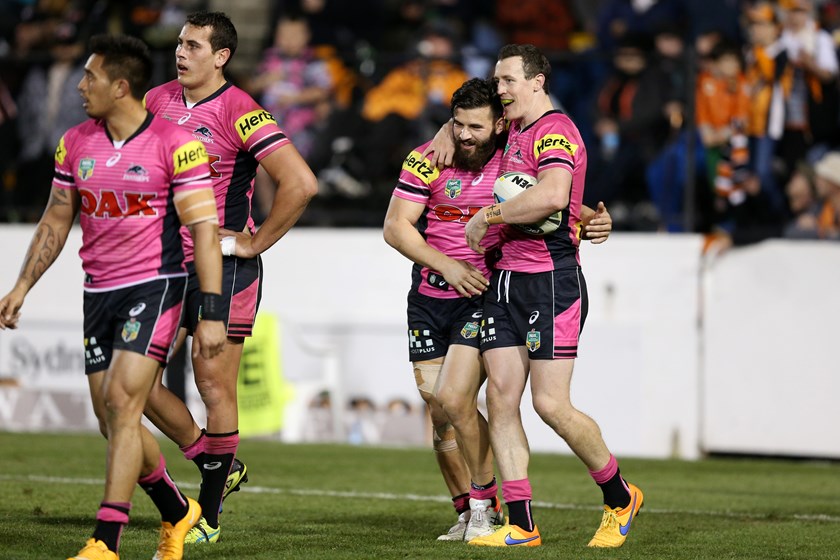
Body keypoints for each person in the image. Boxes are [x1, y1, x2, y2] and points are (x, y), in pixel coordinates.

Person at [0, 34, 226, 560]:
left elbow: (205, 232)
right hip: (97, 292)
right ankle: (176, 510)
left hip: (155, 286)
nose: (81, 87)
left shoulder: (176, 144)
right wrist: (22, 285)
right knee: (109, 417)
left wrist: (211, 311)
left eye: (90, 77)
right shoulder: (75, 141)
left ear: (120, 86)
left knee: (125, 405)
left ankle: (106, 540)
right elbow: (58, 217)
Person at [387, 77, 613, 543]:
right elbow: (395, 228)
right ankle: (471, 509)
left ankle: (486, 505)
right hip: (431, 296)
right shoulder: (428, 157)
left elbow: (550, 198)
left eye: (475, 126)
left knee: (460, 399)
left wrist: (592, 218)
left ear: (499, 125)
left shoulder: (513, 155)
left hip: (486, 296)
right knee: (440, 409)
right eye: (458, 124)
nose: (465, 135)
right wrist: (447, 266)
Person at [143, 10, 318, 544]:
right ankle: (213, 460)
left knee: (212, 380)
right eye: (179, 43)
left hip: (226, 264)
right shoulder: (155, 101)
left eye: (194, 46)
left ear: (221, 56)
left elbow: (300, 182)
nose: (181, 53)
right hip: (166, 261)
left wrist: (254, 239)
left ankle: (210, 517)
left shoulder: (241, 109)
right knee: (134, 382)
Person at [461, 44, 643, 548]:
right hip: (505, 281)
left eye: (508, 81)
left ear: (537, 82)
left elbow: (551, 195)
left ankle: (619, 494)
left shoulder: (555, 130)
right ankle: (521, 523)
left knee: (550, 404)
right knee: (498, 397)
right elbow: (463, 131)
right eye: (496, 81)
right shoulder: (513, 128)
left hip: (551, 281)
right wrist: (590, 215)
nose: (500, 90)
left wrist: (488, 217)